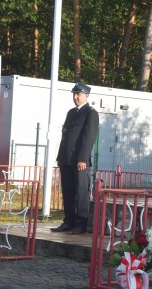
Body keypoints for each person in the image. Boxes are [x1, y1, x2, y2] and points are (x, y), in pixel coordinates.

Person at [51, 83, 99, 234]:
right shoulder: (71, 112)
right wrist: (60, 157)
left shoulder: (90, 113)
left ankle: (81, 223)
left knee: (81, 192)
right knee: (68, 191)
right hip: (66, 159)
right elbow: (65, 136)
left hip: (80, 161)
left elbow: (88, 137)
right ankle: (69, 221)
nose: (76, 97)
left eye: (78, 94)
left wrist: (83, 159)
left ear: (86, 96)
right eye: (74, 94)